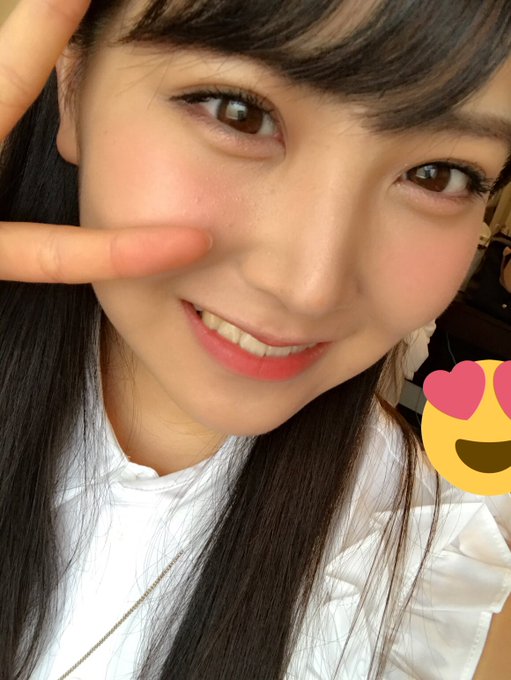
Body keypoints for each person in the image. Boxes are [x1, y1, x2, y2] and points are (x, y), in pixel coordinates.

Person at [0, 1, 510, 678]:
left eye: (436, 174)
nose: (310, 287)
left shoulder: (441, 596)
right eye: (237, 112)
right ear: (73, 87)